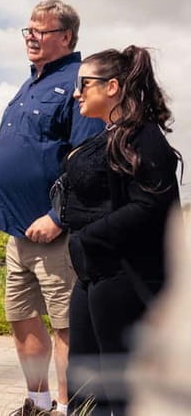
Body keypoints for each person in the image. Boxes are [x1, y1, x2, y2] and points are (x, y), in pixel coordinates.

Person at [0, 0, 104, 416]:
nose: (31, 38)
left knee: (66, 325)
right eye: (28, 31)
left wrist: (58, 218)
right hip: (17, 231)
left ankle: (70, 405)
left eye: (41, 31)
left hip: (55, 233)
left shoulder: (77, 80)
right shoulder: (29, 84)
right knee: (21, 318)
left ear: (67, 37)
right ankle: (37, 403)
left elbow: (87, 159)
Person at [63, 46, 181, 415]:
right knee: (84, 380)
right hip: (94, 274)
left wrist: (89, 238)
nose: (77, 92)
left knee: (117, 384)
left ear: (112, 86)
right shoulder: (111, 136)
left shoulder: (142, 138)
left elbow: (151, 206)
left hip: (122, 278)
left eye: (85, 83)